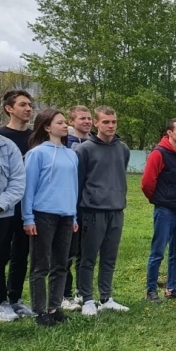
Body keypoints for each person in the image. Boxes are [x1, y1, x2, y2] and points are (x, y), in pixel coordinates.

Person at [21, 109, 79, 327]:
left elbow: (73, 187)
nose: (65, 126)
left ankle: (55, 308)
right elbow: (29, 188)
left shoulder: (71, 154)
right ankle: (40, 311)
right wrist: (28, 218)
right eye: (60, 122)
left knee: (61, 264)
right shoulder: (37, 154)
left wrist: (73, 215)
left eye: (66, 123)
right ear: (47, 127)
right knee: (40, 265)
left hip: (65, 216)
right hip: (43, 215)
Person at [74, 106, 131, 315]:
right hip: (92, 211)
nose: (110, 126)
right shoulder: (84, 149)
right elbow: (79, 182)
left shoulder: (122, 148)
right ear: (96, 123)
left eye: (113, 122)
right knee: (88, 257)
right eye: (106, 122)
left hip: (116, 210)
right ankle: (87, 298)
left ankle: (106, 297)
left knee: (110, 257)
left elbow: (119, 173)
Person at [141, 119, 176, 303]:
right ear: (169, 133)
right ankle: (151, 290)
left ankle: (172, 288)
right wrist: (159, 200)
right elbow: (147, 182)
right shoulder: (159, 153)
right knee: (158, 251)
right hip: (166, 210)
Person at [0, 90, 35, 320]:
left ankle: (15, 298)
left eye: (30, 105)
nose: (29, 108)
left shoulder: (35, 138)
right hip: (4, 208)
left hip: (27, 204)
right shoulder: (2, 137)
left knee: (22, 252)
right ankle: (1, 300)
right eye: (23, 104)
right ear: (9, 108)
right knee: (1, 254)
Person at [62, 105, 94, 311]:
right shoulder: (65, 144)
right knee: (67, 251)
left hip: (90, 204)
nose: (87, 121)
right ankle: (64, 293)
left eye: (90, 118)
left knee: (86, 250)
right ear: (71, 121)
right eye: (82, 118)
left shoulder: (95, 143)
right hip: (69, 204)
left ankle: (83, 292)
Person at [0, 133, 25, 322]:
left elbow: (17, 181)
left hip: (2, 212)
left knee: (0, 257)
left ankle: (1, 301)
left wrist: (0, 204)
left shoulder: (7, 147)